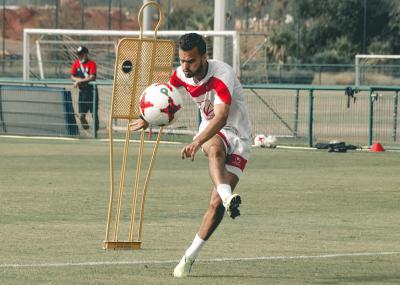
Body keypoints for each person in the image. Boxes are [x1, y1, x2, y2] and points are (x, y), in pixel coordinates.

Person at [131, 33, 252, 277]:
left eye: (191, 62)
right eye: (182, 61)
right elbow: (165, 97)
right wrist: (148, 117)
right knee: (215, 148)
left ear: (204, 57)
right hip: (212, 132)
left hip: (238, 135)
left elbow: (222, 117)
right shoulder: (180, 73)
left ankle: (189, 256)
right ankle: (228, 195)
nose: (185, 67)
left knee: (215, 205)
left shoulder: (222, 75)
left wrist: (197, 142)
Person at [71, 45, 99, 131]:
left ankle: (95, 131)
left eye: (81, 54)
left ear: (86, 54)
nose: (79, 56)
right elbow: (72, 76)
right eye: (78, 54)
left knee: (93, 112)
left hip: (92, 91)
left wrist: (80, 81)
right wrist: (77, 80)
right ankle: (87, 129)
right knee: (81, 115)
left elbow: (92, 77)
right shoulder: (76, 63)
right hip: (82, 91)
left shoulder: (92, 64)